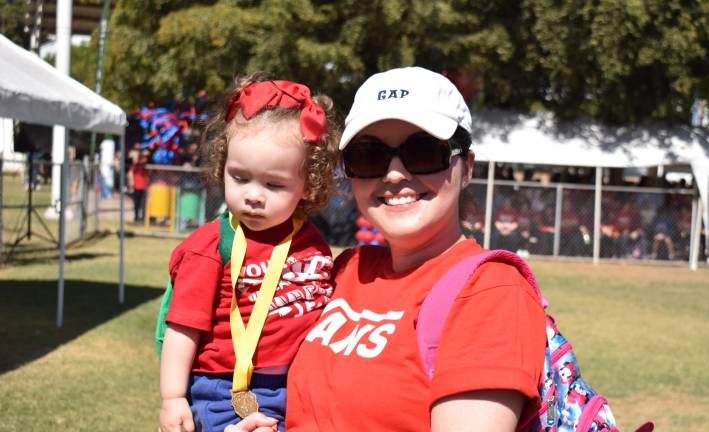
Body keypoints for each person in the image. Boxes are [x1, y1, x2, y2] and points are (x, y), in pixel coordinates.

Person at [226, 67, 546, 432]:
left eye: (424, 151)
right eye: (370, 156)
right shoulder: (346, 269)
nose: (394, 174)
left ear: (466, 166)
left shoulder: (490, 290)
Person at [158, 73, 339, 432]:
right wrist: (173, 397)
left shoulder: (313, 244)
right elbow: (182, 329)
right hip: (223, 390)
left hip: (298, 388)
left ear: (308, 184)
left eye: (274, 184)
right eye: (240, 177)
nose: (254, 195)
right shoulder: (209, 248)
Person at [128, 149, 150, 223]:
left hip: (144, 187)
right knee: (137, 203)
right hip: (137, 186)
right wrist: (131, 183)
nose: (145, 159)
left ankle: (143, 218)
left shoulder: (147, 166)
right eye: (144, 157)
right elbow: (130, 173)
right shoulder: (137, 164)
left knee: (144, 203)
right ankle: (136, 217)